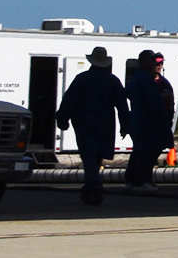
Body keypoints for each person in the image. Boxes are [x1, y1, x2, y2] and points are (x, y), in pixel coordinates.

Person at [53, 48, 132, 206]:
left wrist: (62, 119)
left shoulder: (81, 79)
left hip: (84, 123)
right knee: (97, 156)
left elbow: (69, 100)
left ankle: (94, 186)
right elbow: (122, 106)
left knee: (88, 155)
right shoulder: (113, 80)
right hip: (105, 124)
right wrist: (125, 125)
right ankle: (91, 187)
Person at [124, 51, 176, 192]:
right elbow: (153, 102)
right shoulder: (144, 78)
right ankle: (141, 181)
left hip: (143, 120)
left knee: (141, 151)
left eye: (158, 62)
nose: (156, 63)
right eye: (153, 60)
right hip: (148, 121)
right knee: (147, 151)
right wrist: (161, 117)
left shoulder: (143, 78)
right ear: (144, 61)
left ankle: (132, 180)